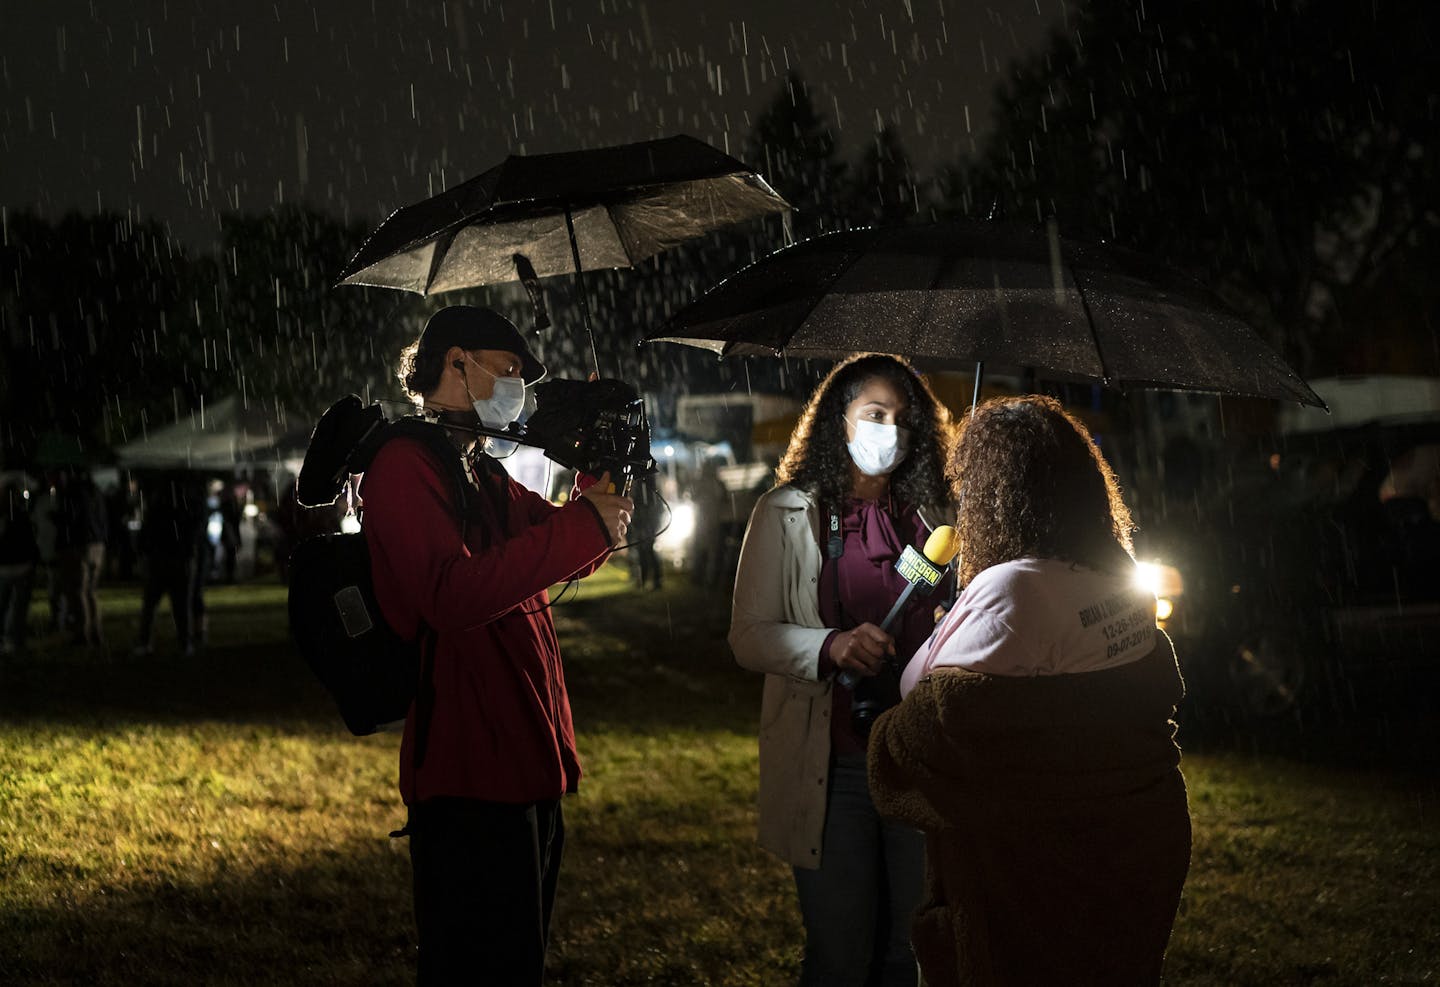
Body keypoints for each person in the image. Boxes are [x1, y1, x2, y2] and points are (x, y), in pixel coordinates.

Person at [869, 394, 1192, 987]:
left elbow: (919, 728)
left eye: (971, 486)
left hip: (1028, 884)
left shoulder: (1010, 591)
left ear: (999, 495)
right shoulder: (1121, 579)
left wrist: (956, 624)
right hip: (1134, 858)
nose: (963, 502)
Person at [361, 305, 633, 986]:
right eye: (507, 370)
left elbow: (570, 547)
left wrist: (601, 476)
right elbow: (448, 595)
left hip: (523, 763)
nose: (516, 388)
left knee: (519, 963)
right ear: (456, 362)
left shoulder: (481, 469)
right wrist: (579, 530)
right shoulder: (403, 464)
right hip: (466, 775)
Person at [728, 353, 958, 987]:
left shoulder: (936, 523)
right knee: (840, 958)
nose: (892, 431)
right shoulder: (786, 512)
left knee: (906, 956)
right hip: (835, 769)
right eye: (876, 414)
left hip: (917, 763)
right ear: (840, 419)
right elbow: (749, 638)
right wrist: (830, 648)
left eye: (906, 421)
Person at [132, 471, 208, 657]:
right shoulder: (187, 505)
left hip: (164, 558)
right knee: (180, 605)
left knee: (154, 604)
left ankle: (148, 641)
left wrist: (145, 551)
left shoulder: (160, 505)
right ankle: (184, 642)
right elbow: (196, 530)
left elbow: (148, 531)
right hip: (178, 559)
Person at [50, 466, 108, 648]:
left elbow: (71, 519)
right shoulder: (96, 492)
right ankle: (96, 631)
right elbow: (104, 519)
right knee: (91, 591)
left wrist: (56, 517)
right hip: (97, 544)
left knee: (78, 591)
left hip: (78, 546)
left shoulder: (72, 493)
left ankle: (83, 633)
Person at [0, 477, 40, 657]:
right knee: (18, 608)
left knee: (6, 606)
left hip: (7, 566)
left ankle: (10, 639)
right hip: (20, 566)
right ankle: (15, 640)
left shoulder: (7, 516)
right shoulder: (22, 515)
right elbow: (30, 542)